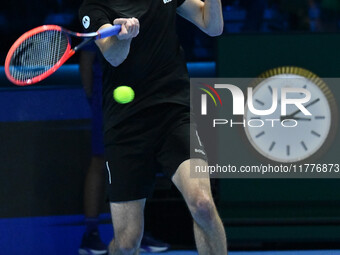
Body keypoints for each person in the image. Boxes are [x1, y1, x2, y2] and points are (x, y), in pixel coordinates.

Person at [78, 0, 227, 254]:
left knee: (202, 203)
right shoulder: (94, 7)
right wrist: (124, 35)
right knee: (127, 242)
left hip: (174, 114)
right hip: (126, 126)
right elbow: (114, 56)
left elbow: (212, 26)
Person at [78, 43, 170, 254]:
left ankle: (137, 231)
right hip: (107, 96)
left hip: (142, 95)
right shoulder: (97, 10)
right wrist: (95, 99)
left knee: (140, 161)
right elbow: (86, 62)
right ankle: (91, 234)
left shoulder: (146, 12)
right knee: (100, 160)